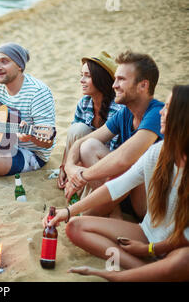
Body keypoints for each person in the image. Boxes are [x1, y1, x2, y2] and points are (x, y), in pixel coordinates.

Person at [44, 85, 189, 281]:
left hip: (177, 245)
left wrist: (150, 249)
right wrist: (68, 212)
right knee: (75, 227)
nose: (162, 111)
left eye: (169, 107)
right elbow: (117, 185)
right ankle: (140, 268)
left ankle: (139, 273)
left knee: (184, 259)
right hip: (147, 232)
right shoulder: (160, 151)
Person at [64, 50, 164, 220]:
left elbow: (124, 159)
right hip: (123, 193)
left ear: (143, 85)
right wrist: (69, 167)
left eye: (121, 79)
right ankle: (113, 209)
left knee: (131, 165)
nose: (114, 85)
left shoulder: (156, 113)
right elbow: (82, 142)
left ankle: (107, 209)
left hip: (148, 204)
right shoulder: (126, 112)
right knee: (89, 146)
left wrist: (81, 176)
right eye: (115, 79)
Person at [0, 42, 56, 176]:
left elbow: (48, 142)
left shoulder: (38, 92)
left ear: (19, 65)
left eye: (4, 62)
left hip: (28, 153)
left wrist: (30, 137)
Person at [57, 51, 123, 190]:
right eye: (81, 75)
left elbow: (115, 152)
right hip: (84, 158)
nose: (81, 80)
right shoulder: (85, 103)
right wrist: (64, 167)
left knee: (88, 144)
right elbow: (73, 139)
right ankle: (71, 176)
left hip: (108, 163)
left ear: (101, 79)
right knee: (78, 129)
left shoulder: (117, 108)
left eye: (87, 76)